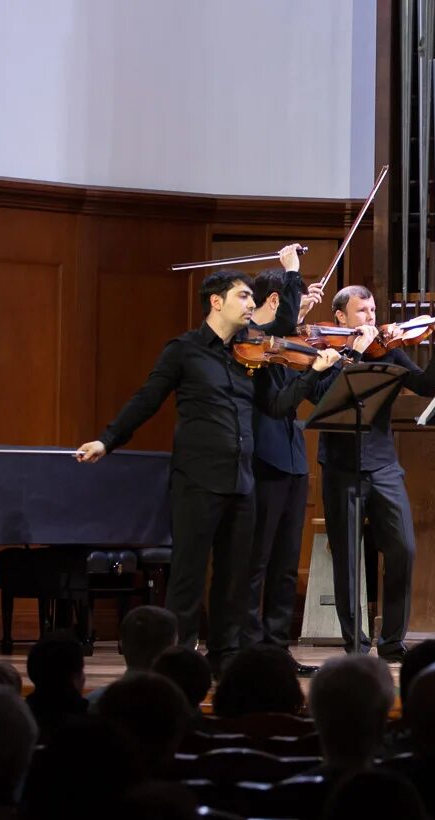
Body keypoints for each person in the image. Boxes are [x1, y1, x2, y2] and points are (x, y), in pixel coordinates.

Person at [75, 247, 341, 675]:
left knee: (234, 580)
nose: (251, 304)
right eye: (243, 297)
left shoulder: (249, 356)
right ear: (216, 302)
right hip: (198, 479)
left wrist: (312, 373)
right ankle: (175, 661)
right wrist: (108, 440)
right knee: (188, 576)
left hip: (242, 482)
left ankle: (224, 657)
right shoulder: (184, 350)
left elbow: (275, 406)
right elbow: (147, 399)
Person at [312, 287, 435, 661]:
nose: (370, 317)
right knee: (347, 559)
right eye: (362, 311)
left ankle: (391, 641)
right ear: (341, 317)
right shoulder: (325, 354)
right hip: (340, 466)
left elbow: (425, 386)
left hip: (383, 464)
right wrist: (353, 354)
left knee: (403, 549)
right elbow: (321, 398)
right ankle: (356, 644)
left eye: (373, 309)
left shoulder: (388, 351)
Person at [242, 267, 325, 676]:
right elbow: (275, 404)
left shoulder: (283, 339)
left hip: (292, 460)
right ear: (275, 301)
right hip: (264, 458)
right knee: (257, 560)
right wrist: (312, 372)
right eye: (293, 301)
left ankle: (277, 648)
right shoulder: (249, 344)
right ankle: (249, 646)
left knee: (286, 563)